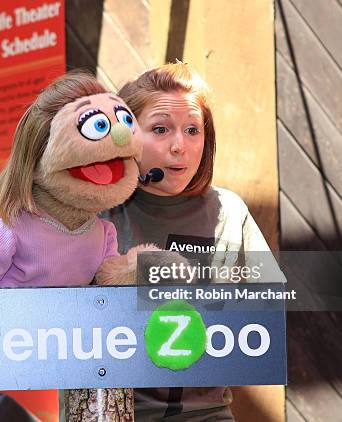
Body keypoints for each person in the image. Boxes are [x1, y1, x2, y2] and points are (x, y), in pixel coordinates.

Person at [102, 62, 282, 421]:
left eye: (192, 130)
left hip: (207, 414)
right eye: (160, 129)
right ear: (127, 135)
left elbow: (270, 316)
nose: (179, 146)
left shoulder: (228, 210)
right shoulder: (97, 212)